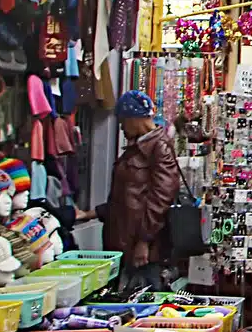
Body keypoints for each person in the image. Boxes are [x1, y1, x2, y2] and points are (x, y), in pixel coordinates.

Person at [74, 91, 180, 290]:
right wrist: (90, 213)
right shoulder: (136, 148)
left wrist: (144, 241)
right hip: (124, 245)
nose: (121, 126)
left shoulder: (159, 148)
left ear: (135, 118)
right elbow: (125, 198)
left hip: (142, 251)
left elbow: (160, 200)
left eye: (123, 120)